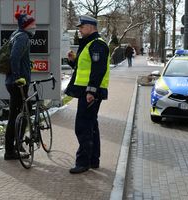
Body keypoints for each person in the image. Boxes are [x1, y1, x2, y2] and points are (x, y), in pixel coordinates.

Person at [65, 15, 110, 174]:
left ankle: (83, 162)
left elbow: (98, 70)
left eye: (81, 27)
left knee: (83, 126)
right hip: (88, 91)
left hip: (90, 93)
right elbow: (86, 67)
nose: (80, 30)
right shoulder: (91, 43)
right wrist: (73, 61)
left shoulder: (97, 44)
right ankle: (93, 160)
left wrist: (91, 90)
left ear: (91, 27)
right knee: (91, 126)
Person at [4, 12, 36, 160]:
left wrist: (27, 65)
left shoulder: (16, 35)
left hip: (14, 82)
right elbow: (14, 57)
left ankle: (17, 145)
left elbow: (19, 57)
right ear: (26, 25)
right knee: (18, 115)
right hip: (18, 84)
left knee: (22, 112)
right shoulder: (22, 37)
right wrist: (18, 78)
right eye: (32, 24)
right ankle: (11, 150)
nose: (34, 27)